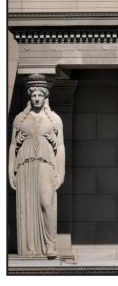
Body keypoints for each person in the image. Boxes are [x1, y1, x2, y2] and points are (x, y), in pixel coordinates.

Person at [8, 74, 65, 258]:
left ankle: (50, 244)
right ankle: (30, 247)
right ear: (29, 97)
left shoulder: (54, 119)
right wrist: (10, 171)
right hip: (25, 165)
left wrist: (61, 172)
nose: (37, 98)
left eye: (40, 95)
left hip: (46, 164)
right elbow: (12, 147)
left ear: (45, 96)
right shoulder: (19, 119)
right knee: (27, 204)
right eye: (34, 95)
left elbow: (61, 147)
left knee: (46, 202)